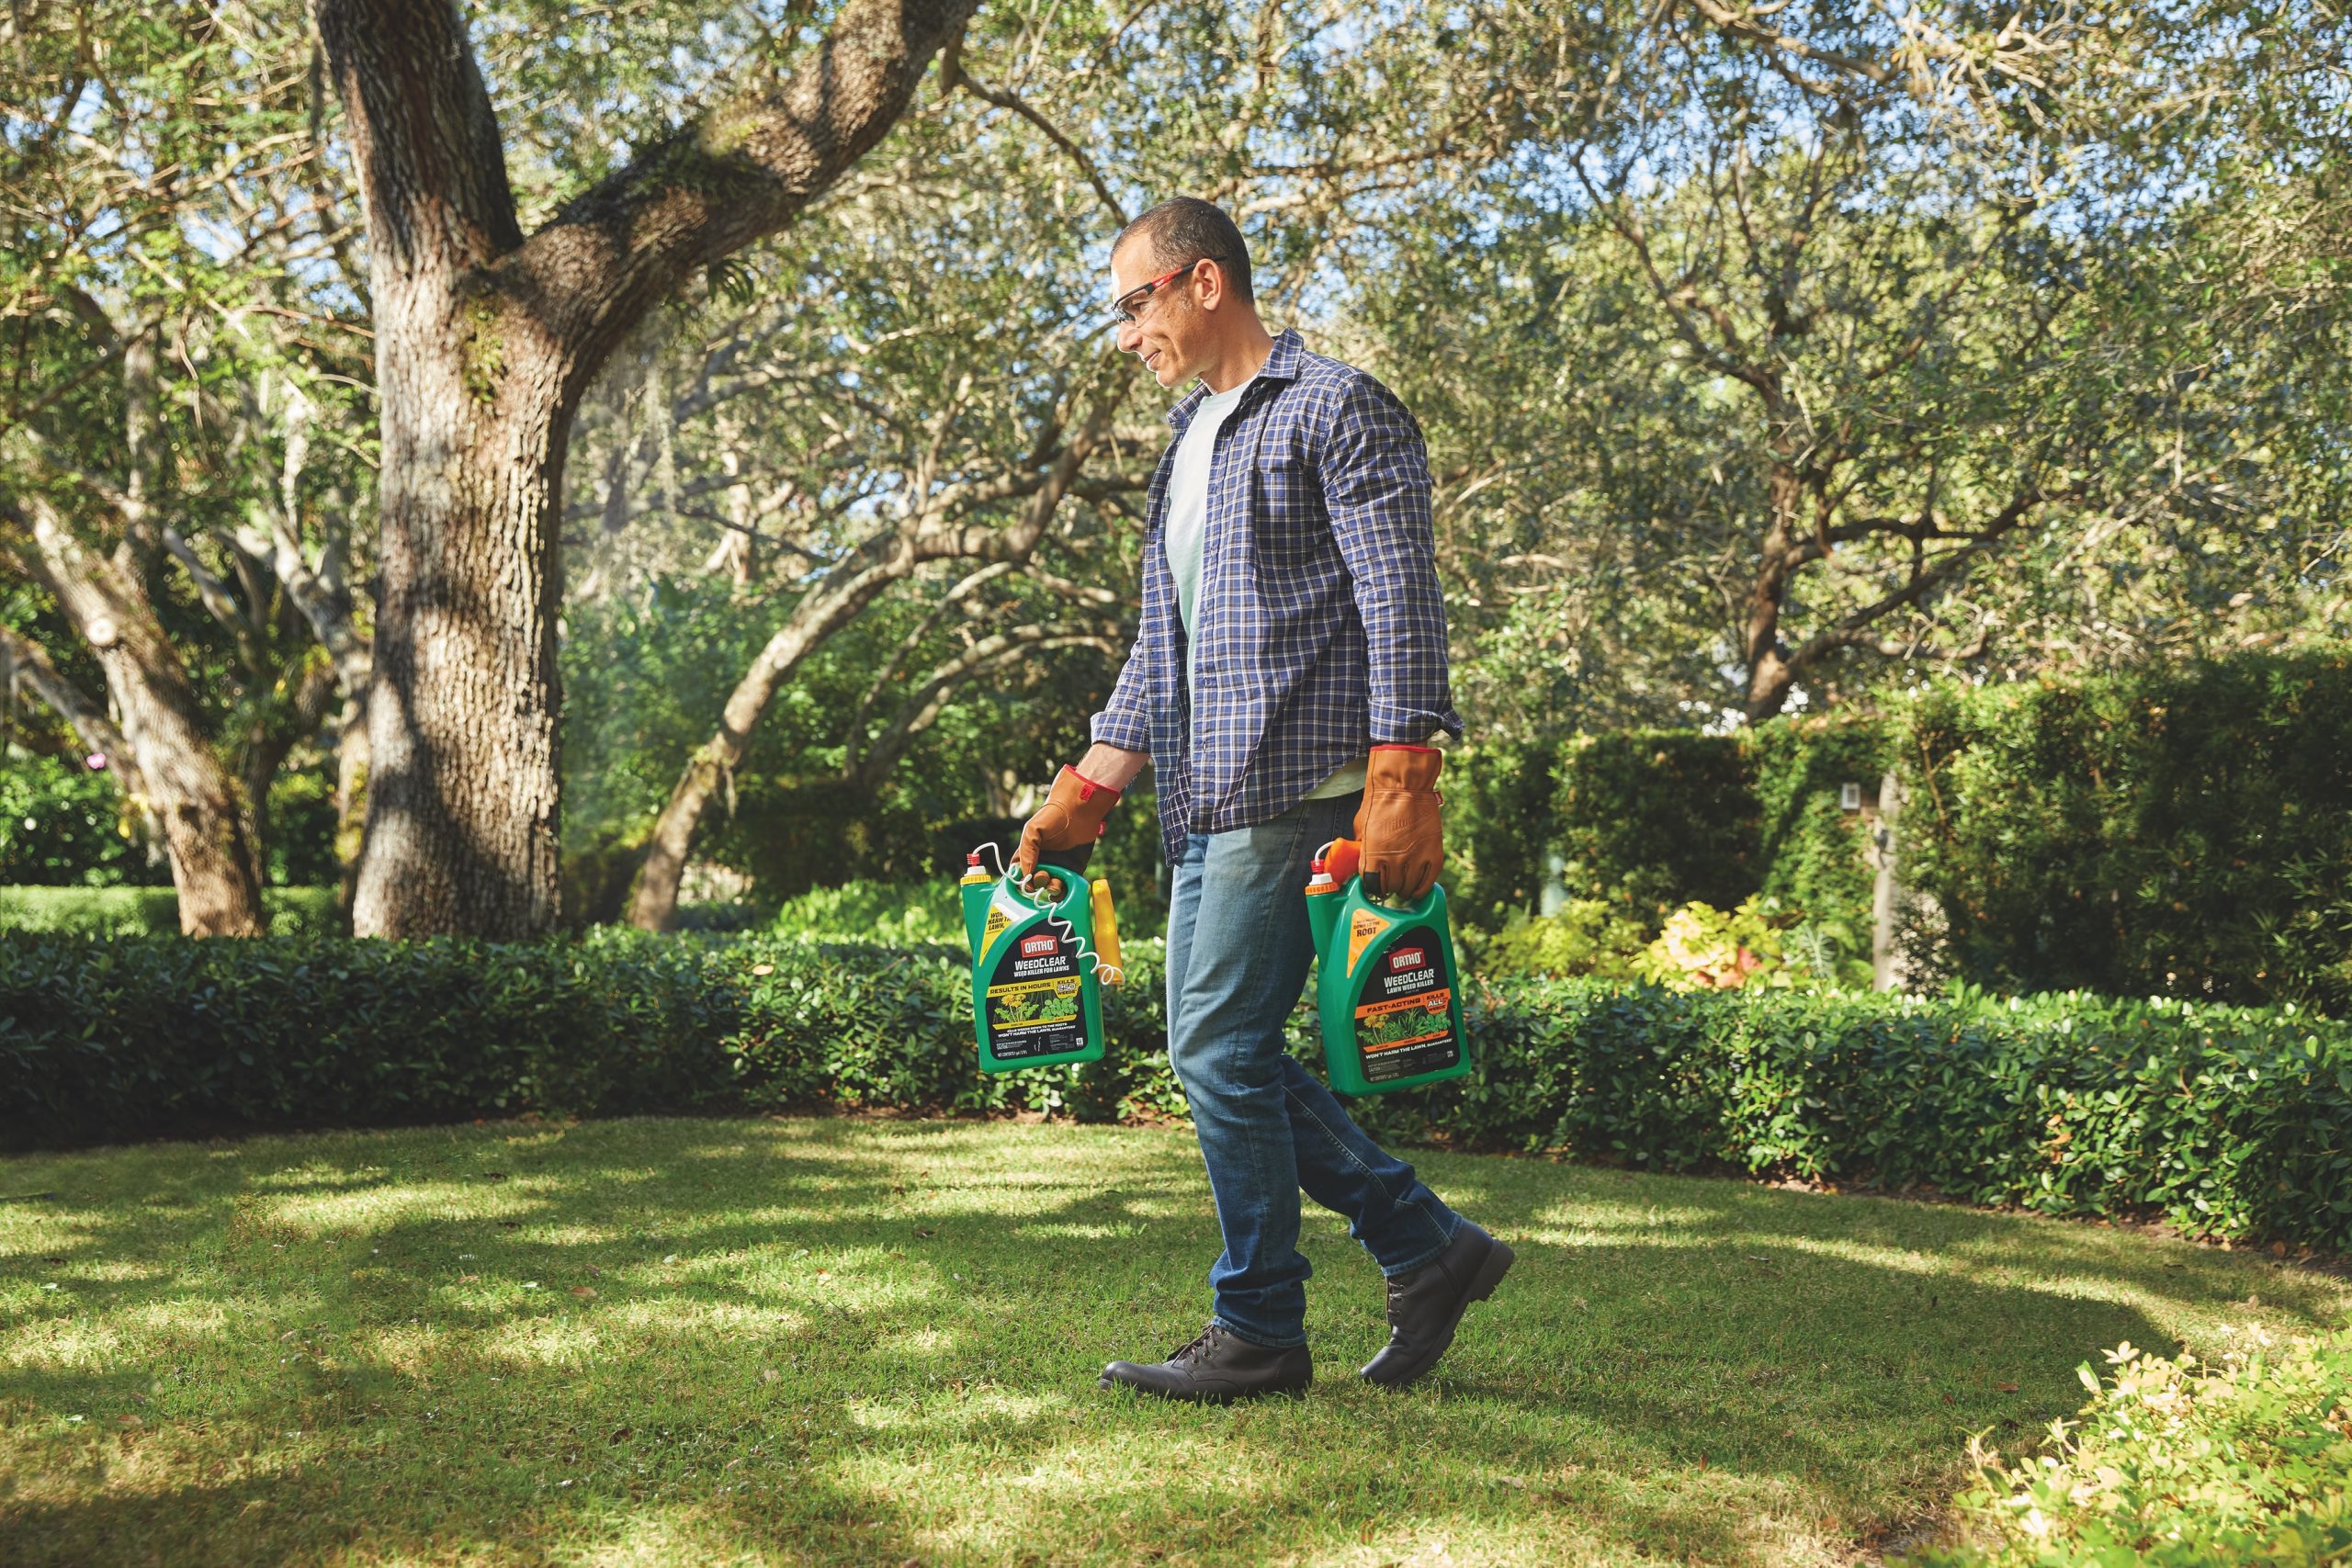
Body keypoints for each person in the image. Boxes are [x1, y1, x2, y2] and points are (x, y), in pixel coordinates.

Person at [1013, 197, 1512, 1404]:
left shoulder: (1337, 408)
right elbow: (1165, 645)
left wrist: (1406, 778)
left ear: (1203, 282)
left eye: (1134, 304)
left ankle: (1261, 1327)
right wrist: (1090, 787)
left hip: (1302, 783)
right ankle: (1425, 1247)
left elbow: (1400, 600)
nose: (1127, 334)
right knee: (1218, 1049)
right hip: (1205, 793)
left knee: (1218, 1048)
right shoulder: (1188, 441)